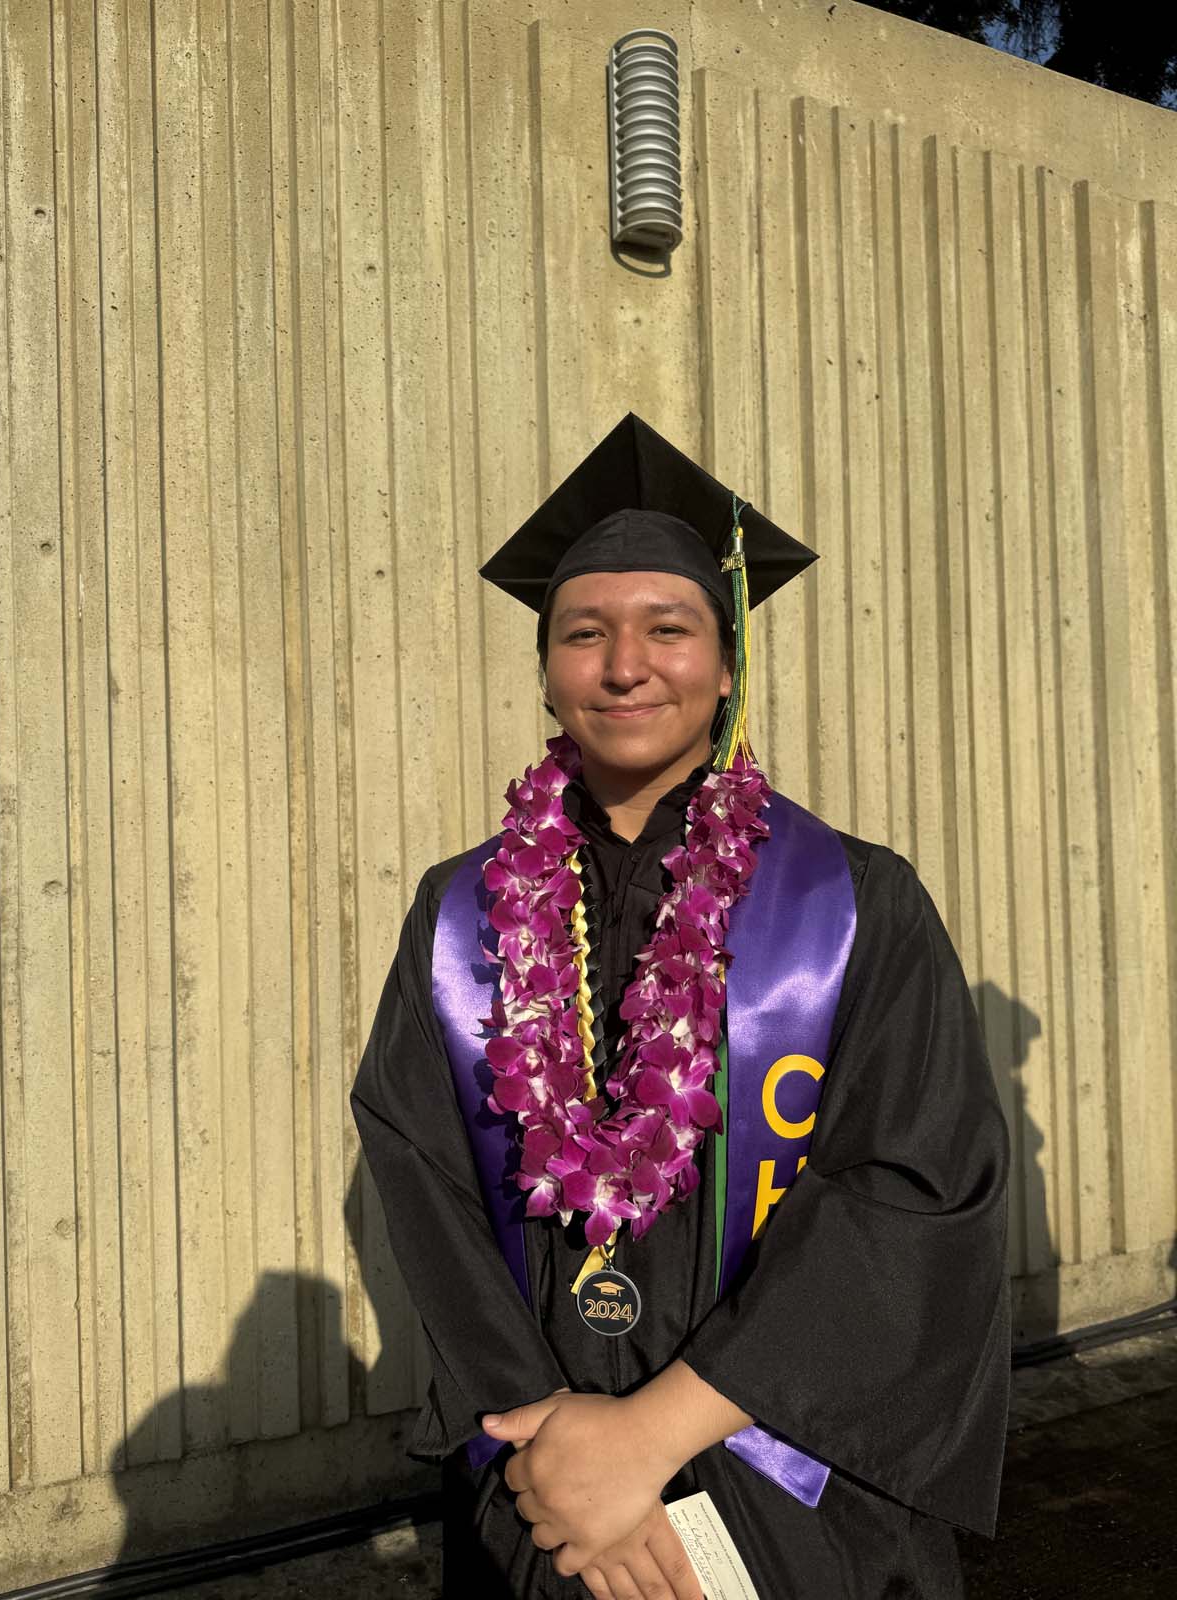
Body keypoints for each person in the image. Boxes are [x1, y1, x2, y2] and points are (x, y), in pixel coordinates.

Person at [351, 413, 1010, 1598]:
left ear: (729, 657)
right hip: (537, 1482)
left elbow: (910, 1186)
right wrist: (561, 1455)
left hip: (787, 1469)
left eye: (670, 628)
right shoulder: (460, 914)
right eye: (583, 633)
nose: (623, 666)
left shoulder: (858, 902)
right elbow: (421, 1174)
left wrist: (651, 1436)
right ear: (546, 664)